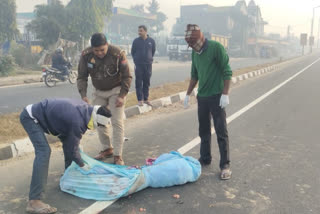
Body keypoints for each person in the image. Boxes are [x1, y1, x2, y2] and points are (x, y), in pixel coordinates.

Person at [20, 98, 111, 214]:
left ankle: (69, 176)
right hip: (31, 117)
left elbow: (71, 145)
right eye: (99, 125)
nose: (98, 127)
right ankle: (34, 201)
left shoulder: (86, 110)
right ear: (96, 120)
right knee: (44, 151)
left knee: (69, 144)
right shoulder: (77, 121)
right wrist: (82, 165)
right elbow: (73, 151)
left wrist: (77, 156)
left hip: (51, 120)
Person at [183, 24, 233, 180]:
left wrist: (225, 94)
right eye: (190, 45)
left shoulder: (216, 48)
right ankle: (205, 158)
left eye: (194, 43)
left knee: (221, 131)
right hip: (202, 97)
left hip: (217, 96)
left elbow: (227, 71)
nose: (193, 47)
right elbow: (194, 74)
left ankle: (225, 165)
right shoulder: (194, 52)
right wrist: (188, 94)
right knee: (203, 130)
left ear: (201, 38)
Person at [77, 33, 132, 165]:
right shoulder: (86, 55)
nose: (99, 53)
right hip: (99, 92)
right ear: (92, 48)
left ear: (107, 45)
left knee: (116, 121)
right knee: (99, 121)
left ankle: (118, 155)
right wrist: (83, 95)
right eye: (96, 50)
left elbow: (127, 76)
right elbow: (81, 76)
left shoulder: (117, 54)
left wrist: (122, 95)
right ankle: (107, 149)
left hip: (116, 90)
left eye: (102, 49)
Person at [131, 25, 156, 106]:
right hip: (138, 65)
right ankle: (140, 100)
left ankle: (146, 99)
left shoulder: (151, 41)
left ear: (145, 31)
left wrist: (149, 59)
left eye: (141, 31)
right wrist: (136, 59)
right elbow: (133, 52)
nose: (139, 32)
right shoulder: (136, 41)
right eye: (139, 31)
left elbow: (153, 51)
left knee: (146, 82)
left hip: (148, 65)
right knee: (138, 82)